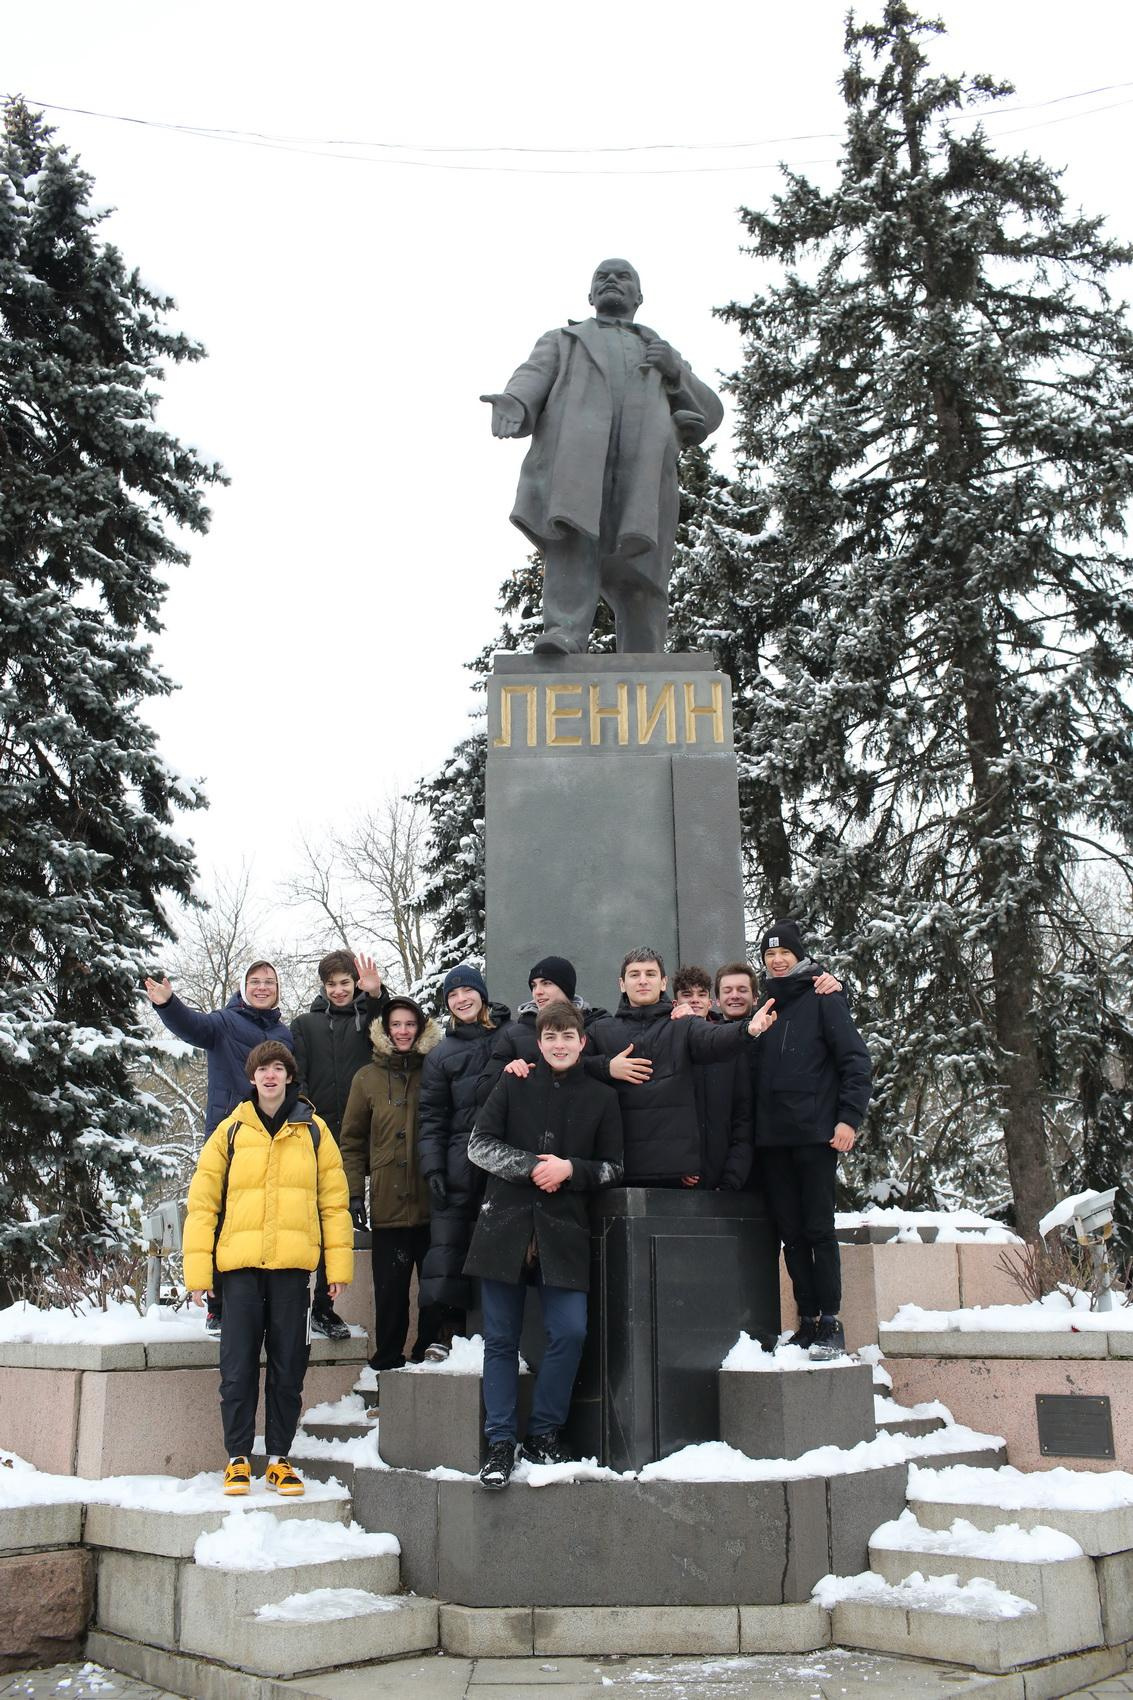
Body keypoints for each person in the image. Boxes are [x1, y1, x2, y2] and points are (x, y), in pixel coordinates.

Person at [482, 259, 723, 654]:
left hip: (643, 468)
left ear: (639, 297)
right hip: (578, 462)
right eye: (602, 277)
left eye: (623, 276)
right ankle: (564, 631)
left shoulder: (661, 350)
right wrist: (514, 403)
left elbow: (711, 413)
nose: (611, 280)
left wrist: (675, 371)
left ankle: (645, 650)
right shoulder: (564, 339)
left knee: (643, 563)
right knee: (574, 541)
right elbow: (532, 375)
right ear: (590, 296)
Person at [182, 1041, 353, 1498]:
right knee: (237, 1368)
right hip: (238, 1272)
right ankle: (237, 1458)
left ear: (289, 1077)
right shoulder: (230, 1131)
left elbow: (335, 1204)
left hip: (292, 1274)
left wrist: (338, 1267)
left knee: (288, 1368)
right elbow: (202, 1206)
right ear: (252, 1076)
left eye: (279, 1068)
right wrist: (199, 1275)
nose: (271, 1076)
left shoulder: (314, 1131)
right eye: (264, 1069)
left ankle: (280, 1460)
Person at [465, 1002, 623, 1489]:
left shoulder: (601, 1097)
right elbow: (478, 1145)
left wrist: (571, 1169)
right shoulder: (513, 1082)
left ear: (582, 1042)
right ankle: (498, 1441)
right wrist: (534, 1166)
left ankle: (544, 1433)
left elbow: (615, 1166)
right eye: (550, 1036)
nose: (559, 1044)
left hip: (564, 1232)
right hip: (505, 1227)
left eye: (567, 1036)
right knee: (501, 1340)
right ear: (539, 1042)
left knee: (569, 1332)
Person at [145, 959, 292, 1335]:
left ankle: (260, 1297)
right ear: (243, 987)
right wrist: (167, 1003)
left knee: (261, 1215)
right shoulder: (224, 1023)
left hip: (274, 1136)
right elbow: (191, 1025)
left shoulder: (284, 1034)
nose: (262, 987)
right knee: (221, 1216)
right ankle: (217, 1304)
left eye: (269, 982)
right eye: (255, 981)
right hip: (228, 1135)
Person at [748, 921, 872, 1361]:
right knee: (791, 1234)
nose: (777, 960)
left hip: (816, 1134)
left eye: (784, 954)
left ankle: (832, 1321)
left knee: (818, 1229)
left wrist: (848, 1120)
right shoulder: (765, 1003)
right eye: (769, 955)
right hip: (773, 1139)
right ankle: (807, 1319)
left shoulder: (825, 996)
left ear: (799, 956)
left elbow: (856, 1062)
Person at [587, 948, 775, 1184]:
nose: (643, 980)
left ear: (663, 982)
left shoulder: (683, 1025)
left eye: (650, 974)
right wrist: (608, 1067)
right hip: (620, 1168)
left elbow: (714, 1038)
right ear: (622, 984)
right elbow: (572, 1067)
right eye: (635, 974)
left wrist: (747, 1029)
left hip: (675, 1172)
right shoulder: (600, 1030)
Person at [339, 996, 443, 1375]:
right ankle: (387, 1366)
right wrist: (353, 1194)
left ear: (420, 1028)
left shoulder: (435, 1069)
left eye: (409, 1025)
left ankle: (425, 1358)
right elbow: (351, 1142)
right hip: (387, 1206)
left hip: (434, 1203)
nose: (403, 1031)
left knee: (434, 1293)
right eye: (395, 1025)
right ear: (384, 1029)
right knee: (391, 1295)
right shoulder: (365, 1078)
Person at [290, 949, 389, 1339]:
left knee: (342, 1218)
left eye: (345, 983)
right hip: (319, 1134)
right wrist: (308, 1119)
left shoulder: (369, 1021)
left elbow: (393, 1033)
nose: (339, 990)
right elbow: (298, 1076)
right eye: (331, 984)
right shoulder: (305, 1024)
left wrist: (376, 995)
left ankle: (325, 1307)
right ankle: (303, 1304)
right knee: (312, 1219)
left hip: (365, 1132)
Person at [417, 965, 511, 1360]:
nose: (461, 999)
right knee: (448, 1249)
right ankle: (448, 1330)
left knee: (498, 1248)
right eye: (453, 996)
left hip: (503, 1159)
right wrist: (434, 1167)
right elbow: (432, 1117)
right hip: (458, 1161)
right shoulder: (440, 1055)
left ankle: (499, 1330)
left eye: (467, 991)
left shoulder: (510, 1038)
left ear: (482, 996)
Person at [476, 953, 650, 1104]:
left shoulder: (597, 1025)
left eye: (546, 983)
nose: (537, 992)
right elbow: (483, 1093)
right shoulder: (514, 1035)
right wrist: (506, 1073)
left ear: (566, 988)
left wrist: (607, 1068)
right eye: (534, 985)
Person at [670, 965, 752, 1191]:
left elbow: (742, 1118)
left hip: (725, 1180)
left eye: (701, 994)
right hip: (676, 1183)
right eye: (687, 995)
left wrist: (732, 1177)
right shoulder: (665, 1045)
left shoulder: (731, 1049)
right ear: (675, 1004)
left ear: (710, 1002)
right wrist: (678, 1165)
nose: (695, 1000)